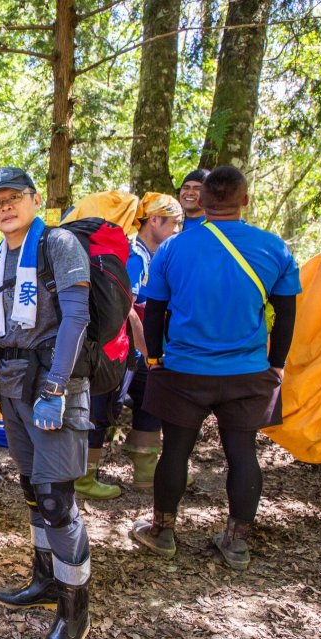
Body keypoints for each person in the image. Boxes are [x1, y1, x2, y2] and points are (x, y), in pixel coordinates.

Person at [130, 166, 300, 570]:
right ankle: (236, 542)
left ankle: (162, 531)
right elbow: (287, 312)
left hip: (185, 368)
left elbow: (154, 310)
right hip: (248, 370)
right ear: (244, 200)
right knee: (242, 452)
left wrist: (154, 359)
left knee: (176, 449)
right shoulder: (275, 248)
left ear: (201, 203)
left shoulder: (174, 248)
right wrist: (277, 365)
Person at [0, 167, 93, 639]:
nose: (6, 207)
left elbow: (77, 318)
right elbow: (1, 328)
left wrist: (56, 388)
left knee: (58, 500)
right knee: (34, 489)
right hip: (14, 387)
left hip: (55, 386)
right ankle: (44, 579)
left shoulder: (56, 245)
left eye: (14, 198)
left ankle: (74, 612)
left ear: (36, 200)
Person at [77, 191, 182, 500]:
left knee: (151, 404)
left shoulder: (159, 256)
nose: (177, 230)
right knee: (104, 408)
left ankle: (146, 472)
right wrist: (147, 347)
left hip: (143, 350)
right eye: (173, 223)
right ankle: (83, 476)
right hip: (120, 350)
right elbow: (126, 308)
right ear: (155, 220)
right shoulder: (133, 255)